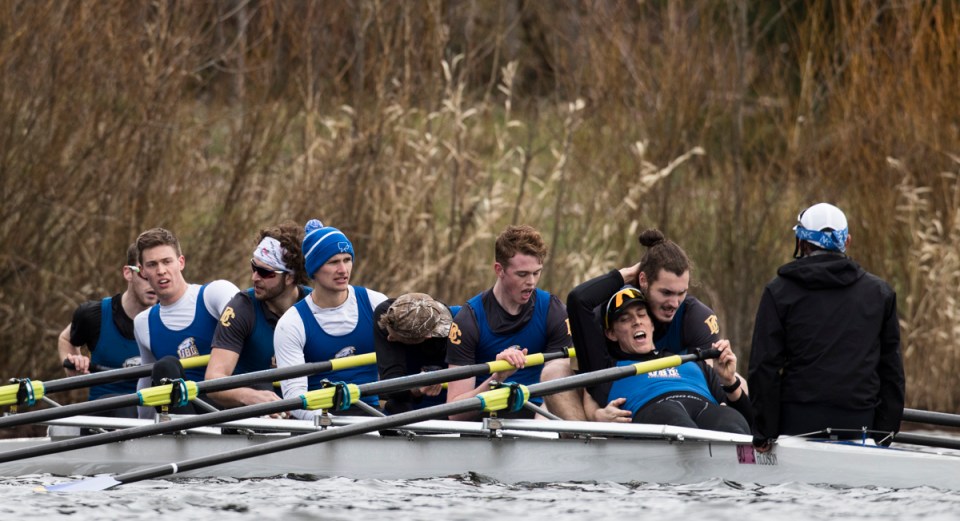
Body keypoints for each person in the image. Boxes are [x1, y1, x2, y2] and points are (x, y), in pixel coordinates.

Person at [748, 203, 905, 450]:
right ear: (847, 241)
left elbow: (763, 367)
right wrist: (884, 434)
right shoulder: (880, 294)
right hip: (860, 424)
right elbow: (892, 371)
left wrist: (764, 433)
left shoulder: (778, 292)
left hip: (797, 425)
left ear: (802, 243)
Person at [567, 269, 751, 434]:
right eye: (625, 319)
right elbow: (578, 300)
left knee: (732, 422)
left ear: (652, 324)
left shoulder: (692, 361)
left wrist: (729, 382)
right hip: (658, 414)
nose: (637, 321)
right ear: (611, 334)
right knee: (674, 420)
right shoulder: (606, 370)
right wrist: (631, 273)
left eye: (641, 314)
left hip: (705, 407)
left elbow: (750, 419)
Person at [445, 224, 575, 420]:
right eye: (522, 274)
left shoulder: (553, 311)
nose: (531, 282)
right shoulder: (468, 320)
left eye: (536, 272)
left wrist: (538, 430)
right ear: (499, 270)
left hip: (539, 418)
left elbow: (559, 389)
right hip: (484, 421)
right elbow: (455, 413)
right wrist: (497, 378)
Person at [274, 219, 388, 419]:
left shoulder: (375, 303)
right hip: (319, 422)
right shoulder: (291, 324)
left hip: (371, 417)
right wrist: (332, 423)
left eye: (347, 259)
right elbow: (295, 399)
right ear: (314, 269)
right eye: (333, 262)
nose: (343, 270)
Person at [133, 227, 240, 418]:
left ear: (181, 262)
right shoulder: (143, 322)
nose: (161, 271)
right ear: (142, 271)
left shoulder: (214, 294)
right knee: (165, 368)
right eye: (152, 264)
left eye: (167, 261)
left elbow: (252, 330)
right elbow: (146, 383)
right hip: (185, 419)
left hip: (230, 408)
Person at [205, 221, 311, 410]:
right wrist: (249, 396)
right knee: (261, 383)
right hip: (254, 415)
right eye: (254, 267)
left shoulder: (313, 305)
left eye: (265, 272)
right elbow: (213, 380)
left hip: (304, 411)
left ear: (290, 277)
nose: (254, 277)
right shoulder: (241, 308)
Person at [56, 243, 157, 416]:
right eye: (144, 273)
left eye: (157, 275)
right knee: (125, 407)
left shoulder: (171, 317)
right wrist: (74, 365)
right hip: (104, 416)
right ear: (128, 273)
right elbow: (65, 339)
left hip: (152, 413)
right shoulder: (94, 315)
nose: (152, 282)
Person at [374, 293, 460, 415]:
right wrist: (417, 388)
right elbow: (391, 383)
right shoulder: (387, 315)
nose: (389, 338)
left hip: (453, 405)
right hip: (408, 405)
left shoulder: (463, 320)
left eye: (396, 337)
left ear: (426, 337)